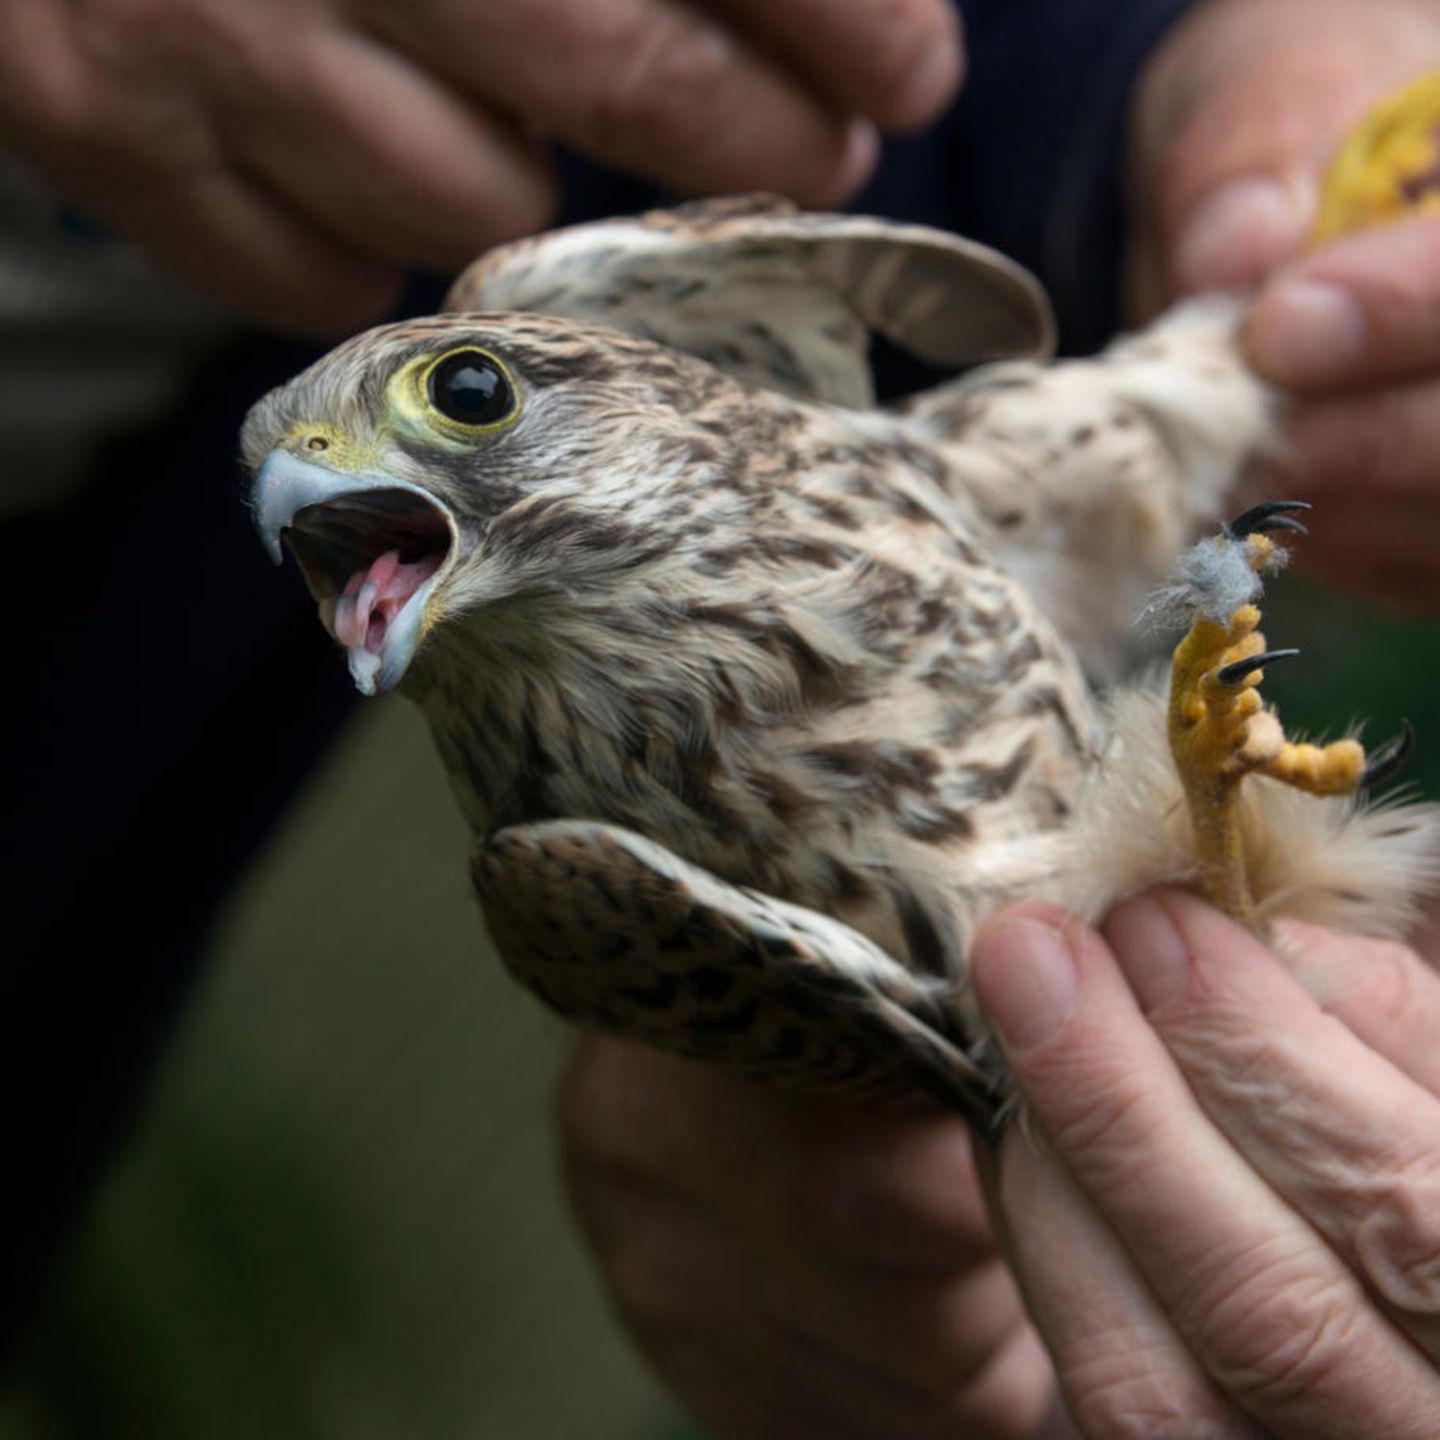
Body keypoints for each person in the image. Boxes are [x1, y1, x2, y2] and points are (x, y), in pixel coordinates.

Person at [4, 0, 1440, 1433]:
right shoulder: (580, 871)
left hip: (983, 464)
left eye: (463, 395)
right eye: (301, 505)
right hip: (1069, 909)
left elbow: (945, 102)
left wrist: (1211, 90)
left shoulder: (598, 312)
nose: (309, 482)